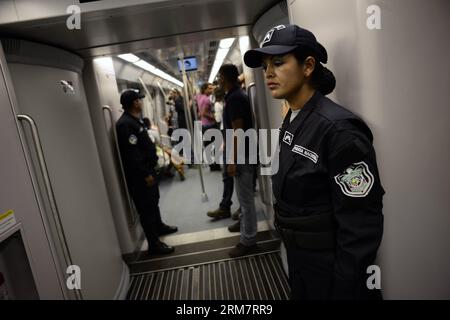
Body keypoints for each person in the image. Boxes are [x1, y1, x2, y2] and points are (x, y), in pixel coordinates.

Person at [244, 24, 384, 300]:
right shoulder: (294, 118)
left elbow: (360, 224)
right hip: (302, 262)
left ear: (308, 66)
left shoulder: (339, 131)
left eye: (279, 62)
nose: (268, 73)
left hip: (333, 271)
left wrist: (345, 287)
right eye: (265, 66)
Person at [116, 89, 178, 255]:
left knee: (153, 202)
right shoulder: (125, 125)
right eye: (139, 100)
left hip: (149, 170)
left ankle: (159, 227)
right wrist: (146, 174)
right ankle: (154, 244)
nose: (141, 102)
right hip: (141, 176)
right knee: (146, 209)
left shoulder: (135, 121)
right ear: (135, 103)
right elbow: (132, 154)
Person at [218, 64, 258, 258]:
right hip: (244, 153)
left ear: (225, 78)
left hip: (242, 155)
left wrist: (232, 160)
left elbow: (238, 131)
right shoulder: (236, 95)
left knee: (246, 200)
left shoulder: (234, 98)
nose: (218, 80)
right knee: (244, 198)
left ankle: (248, 241)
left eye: (219, 76)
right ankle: (244, 225)